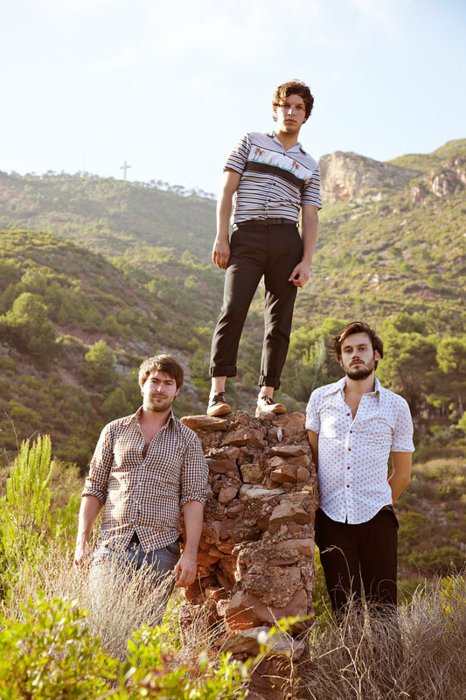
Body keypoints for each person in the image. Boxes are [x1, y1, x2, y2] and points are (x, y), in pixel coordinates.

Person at [207, 79, 321, 418]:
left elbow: (310, 215)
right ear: (275, 110)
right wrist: (222, 237)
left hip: (287, 240)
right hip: (247, 235)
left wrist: (306, 261)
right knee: (233, 309)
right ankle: (217, 394)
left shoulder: (310, 164)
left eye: (298, 108)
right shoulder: (250, 141)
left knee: (279, 321)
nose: (291, 112)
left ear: (305, 116)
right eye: (286, 106)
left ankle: (266, 397)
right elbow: (226, 191)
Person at [73, 354, 209, 619]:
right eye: (154, 381)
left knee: (144, 634)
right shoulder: (114, 431)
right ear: (142, 384)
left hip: (161, 551)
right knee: (102, 626)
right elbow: (94, 488)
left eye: (168, 383)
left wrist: (190, 554)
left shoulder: (188, 440)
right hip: (112, 546)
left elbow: (193, 498)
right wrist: (82, 541)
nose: (160, 389)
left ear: (177, 391)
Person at [306, 322, 414, 614]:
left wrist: (376, 502)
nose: (355, 354)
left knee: (384, 611)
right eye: (348, 350)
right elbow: (312, 461)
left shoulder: (396, 406)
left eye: (362, 348)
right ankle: (351, 649)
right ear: (340, 358)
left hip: (378, 520)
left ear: (376, 354)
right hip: (330, 520)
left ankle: (387, 651)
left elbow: (403, 474)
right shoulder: (320, 399)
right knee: (344, 611)